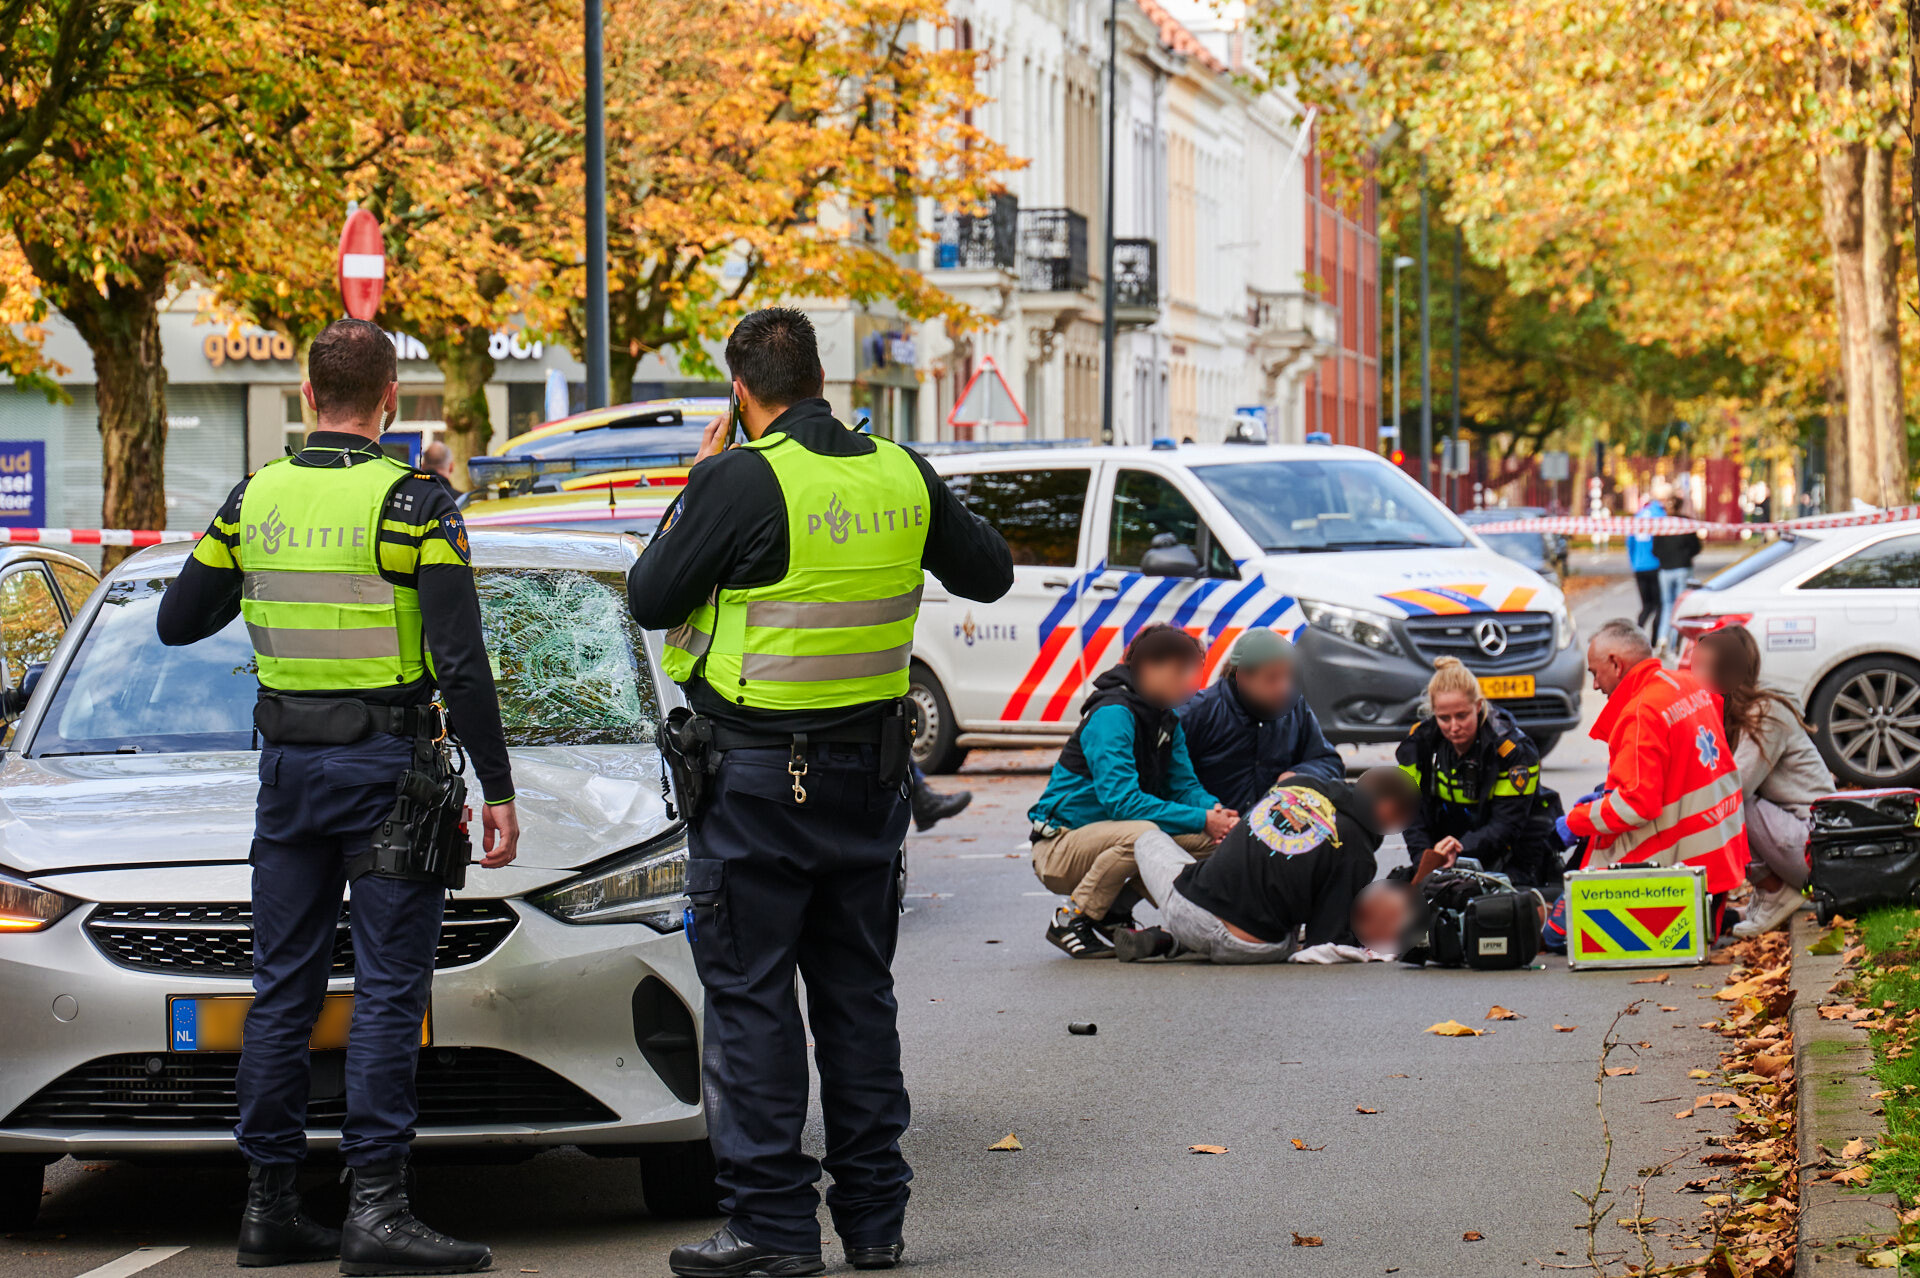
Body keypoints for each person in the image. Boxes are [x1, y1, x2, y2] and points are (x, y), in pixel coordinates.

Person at [626, 307, 1013, 1277]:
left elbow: (649, 597)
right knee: (856, 1000)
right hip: (870, 788)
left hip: (756, 788)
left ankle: (773, 1229)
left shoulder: (742, 476)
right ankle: (876, 1223)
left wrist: (699, 481)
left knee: (754, 1002)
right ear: (821, 378)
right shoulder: (902, 472)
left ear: (742, 390)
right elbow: (992, 573)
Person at [155, 319, 518, 1275]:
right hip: (387, 775)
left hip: (288, 779)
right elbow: (462, 660)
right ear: (389, 398)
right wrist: (497, 785)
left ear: (310, 397)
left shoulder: (255, 497)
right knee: (390, 991)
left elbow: (178, 619)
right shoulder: (415, 504)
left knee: (282, 990)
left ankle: (269, 1210)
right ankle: (378, 1213)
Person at [1027, 624, 1236, 958]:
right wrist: (1200, 818)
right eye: (1180, 672)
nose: (1190, 683)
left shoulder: (1165, 719)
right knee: (1143, 835)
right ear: (1149, 668)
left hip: (1109, 841)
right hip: (1060, 847)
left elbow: (1184, 787)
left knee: (1211, 841)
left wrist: (1216, 815)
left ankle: (1113, 908)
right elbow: (1121, 803)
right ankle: (1072, 917)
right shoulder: (1112, 715)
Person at [1112, 767, 1421, 963]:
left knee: (1147, 839)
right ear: (1388, 809)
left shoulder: (1299, 783)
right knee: (1291, 931)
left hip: (1190, 910)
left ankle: (1126, 919)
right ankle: (1172, 941)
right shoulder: (1358, 855)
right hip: (1254, 948)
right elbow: (1324, 944)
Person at [1562, 620, 1747, 900]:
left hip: (1677, 878)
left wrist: (1574, 822)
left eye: (1595, 673)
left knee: (1559, 934)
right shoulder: (1690, 684)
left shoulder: (1640, 711)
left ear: (1615, 663)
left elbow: (1637, 805)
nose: (1596, 684)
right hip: (1718, 855)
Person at [1692, 627, 1833, 937]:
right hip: (1794, 837)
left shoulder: (1766, 713)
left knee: (1730, 803)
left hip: (1816, 846)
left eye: (1702, 666)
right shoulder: (1738, 710)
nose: (1693, 674)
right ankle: (1771, 891)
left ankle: (1775, 892)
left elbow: (1735, 785)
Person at [1396, 656, 1565, 893]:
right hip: (1450, 845)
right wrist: (1427, 860)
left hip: (1513, 849)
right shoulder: (1418, 744)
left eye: (1462, 716)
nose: (1454, 727)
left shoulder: (1513, 751)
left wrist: (1460, 850)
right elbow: (1410, 813)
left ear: (1478, 706)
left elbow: (1508, 824)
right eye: (1444, 718)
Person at [1177, 627, 1343, 811]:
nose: (1284, 688)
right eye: (1272, 678)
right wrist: (1208, 814)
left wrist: (1298, 775)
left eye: (1289, 676)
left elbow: (1328, 761)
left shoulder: (1294, 707)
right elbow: (1169, 783)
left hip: (1277, 830)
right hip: (1212, 828)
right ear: (1243, 677)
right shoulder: (1197, 713)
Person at [1652, 495, 1702, 656]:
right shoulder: (1686, 523)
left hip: (1665, 569)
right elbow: (1696, 546)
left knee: (1667, 605)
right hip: (1682, 567)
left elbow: (1654, 549)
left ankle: (1662, 639)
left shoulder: (1661, 525)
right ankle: (1675, 644)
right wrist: (1685, 555)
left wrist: (1664, 558)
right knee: (1680, 606)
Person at [1627, 493, 1666, 642]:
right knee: (1660, 605)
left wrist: (1634, 563)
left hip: (1639, 567)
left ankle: (1637, 633)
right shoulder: (1661, 516)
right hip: (1656, 566)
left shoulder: (1638, 517)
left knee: (1646, 606)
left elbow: (1629, 544)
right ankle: (1655, 639)